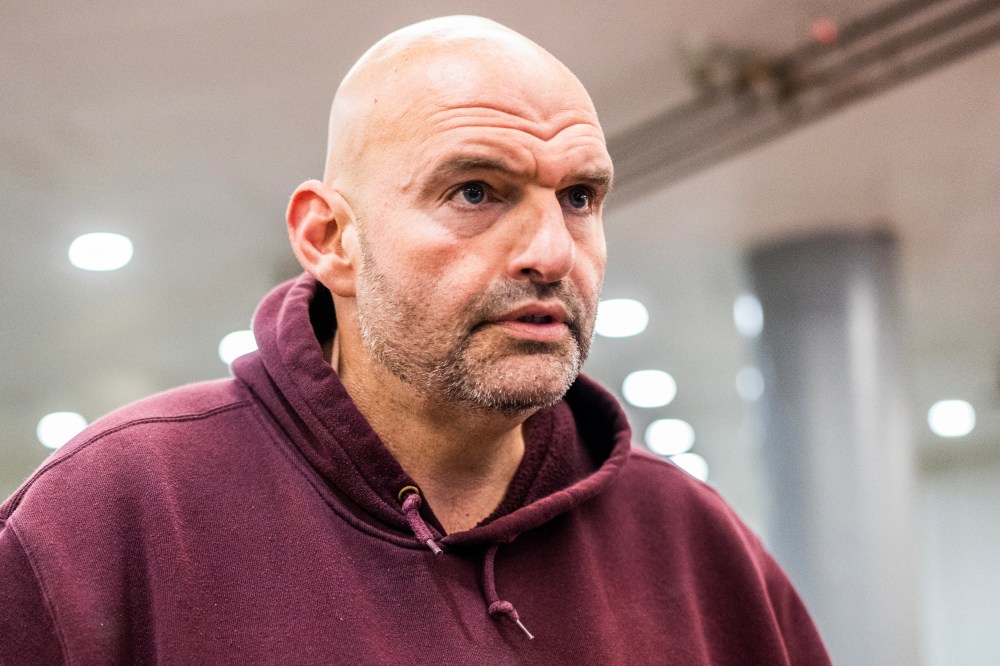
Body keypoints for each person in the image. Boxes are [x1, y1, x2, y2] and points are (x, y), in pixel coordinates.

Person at [0, 16, 830, 665]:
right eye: (475, 191)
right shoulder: (112, 518)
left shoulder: (699, 551)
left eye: (579, 197)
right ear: (329, 237)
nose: (551, 252)